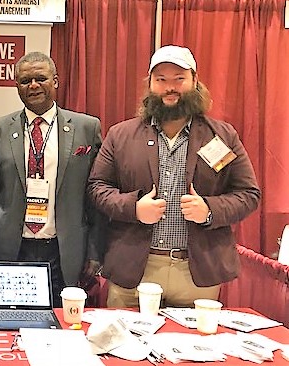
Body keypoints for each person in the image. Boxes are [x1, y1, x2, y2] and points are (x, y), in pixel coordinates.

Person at [88, 45, 261, 308]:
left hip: (197, 274)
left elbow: (248, 194)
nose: (170, 88)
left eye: (179, 79)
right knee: (125, 336)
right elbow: (97, 187)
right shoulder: (120, 135)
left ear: (195, 80)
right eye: (161, 80)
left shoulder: (223, 136)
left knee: (193, 337)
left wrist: (210, 210)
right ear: (150, 84)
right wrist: (133, 208)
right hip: (133, 271)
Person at [0, 51, 104, 307]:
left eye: (41, 78)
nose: (33, 86)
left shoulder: (87, 128)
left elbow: (95, 197)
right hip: (12, 250)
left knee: (63, 323)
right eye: (25, 81)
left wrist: (94, 251)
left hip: (64, 252)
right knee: (11, 322)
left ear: (56, 81)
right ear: (17, 86)